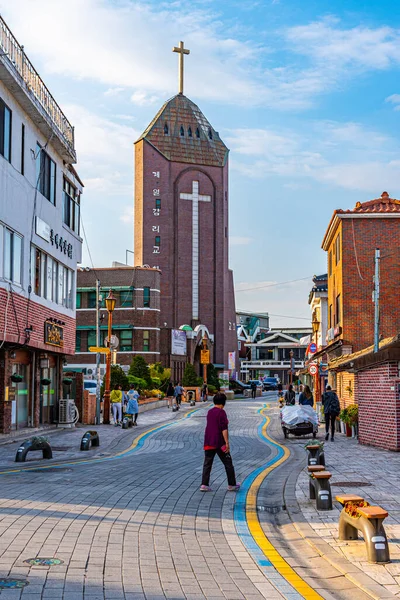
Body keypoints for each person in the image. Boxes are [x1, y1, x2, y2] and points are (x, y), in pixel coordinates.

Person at [200, 393, 239, 492]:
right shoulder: (221, 412)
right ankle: (232, 484)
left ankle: (204, 485)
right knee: (228, 463)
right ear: (224, 402)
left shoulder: (210, 412)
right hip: (219, 442)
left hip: (208, 441)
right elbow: (224, 429)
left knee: (207, 463)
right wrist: (227, 443)